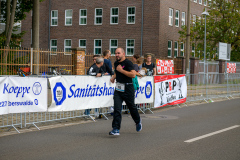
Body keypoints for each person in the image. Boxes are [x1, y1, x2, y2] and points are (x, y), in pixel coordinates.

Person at [109, 48, 142, 136]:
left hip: (128, 88)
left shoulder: (128, 63)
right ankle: (116, 128)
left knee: (132, 107)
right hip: (118, 89)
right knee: (117, 108)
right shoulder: (116, 63)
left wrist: (122, 71)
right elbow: (117, 72)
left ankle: (138, 121)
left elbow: (133, 74)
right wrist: (113, 77)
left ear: (123, 54)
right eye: (115, 53)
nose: (117, 55)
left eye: (118, 53)